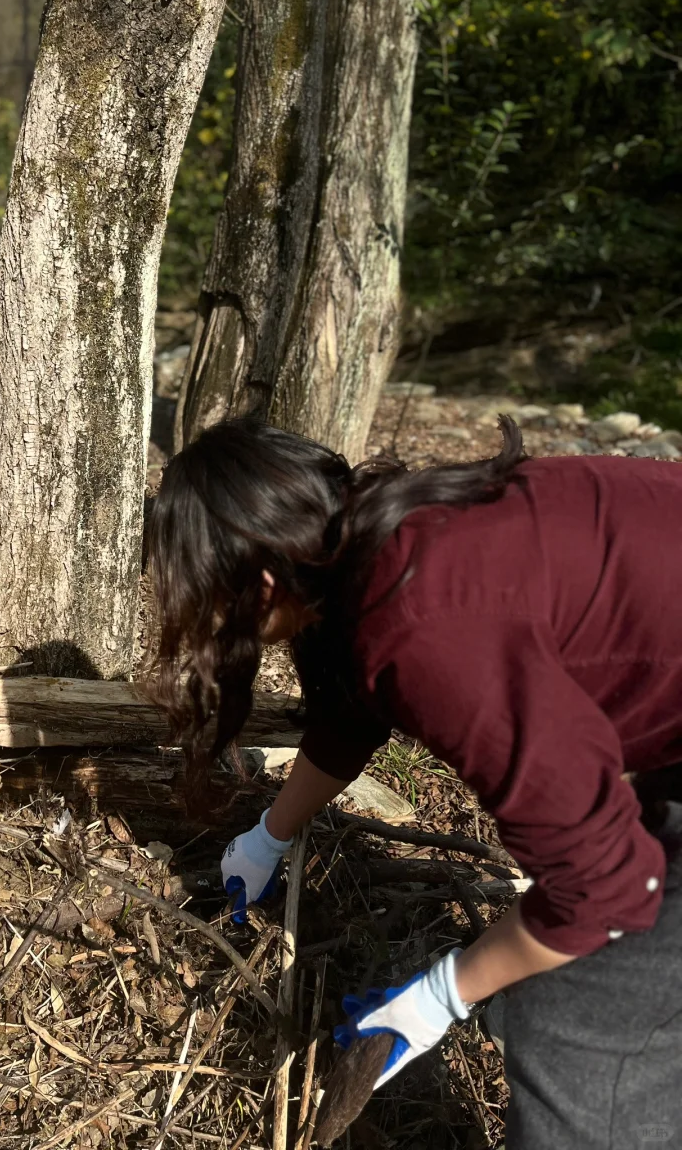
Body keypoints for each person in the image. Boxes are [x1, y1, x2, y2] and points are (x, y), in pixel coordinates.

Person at [147, 416, 682, 1149]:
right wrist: (267, 838)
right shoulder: (370, 543)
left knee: (571, 1021)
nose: (199, 618)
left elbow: (607, 890)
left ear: (261, 579)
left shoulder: (427, 621)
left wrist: (439, 996)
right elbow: (348, 715)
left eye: (199, 597)